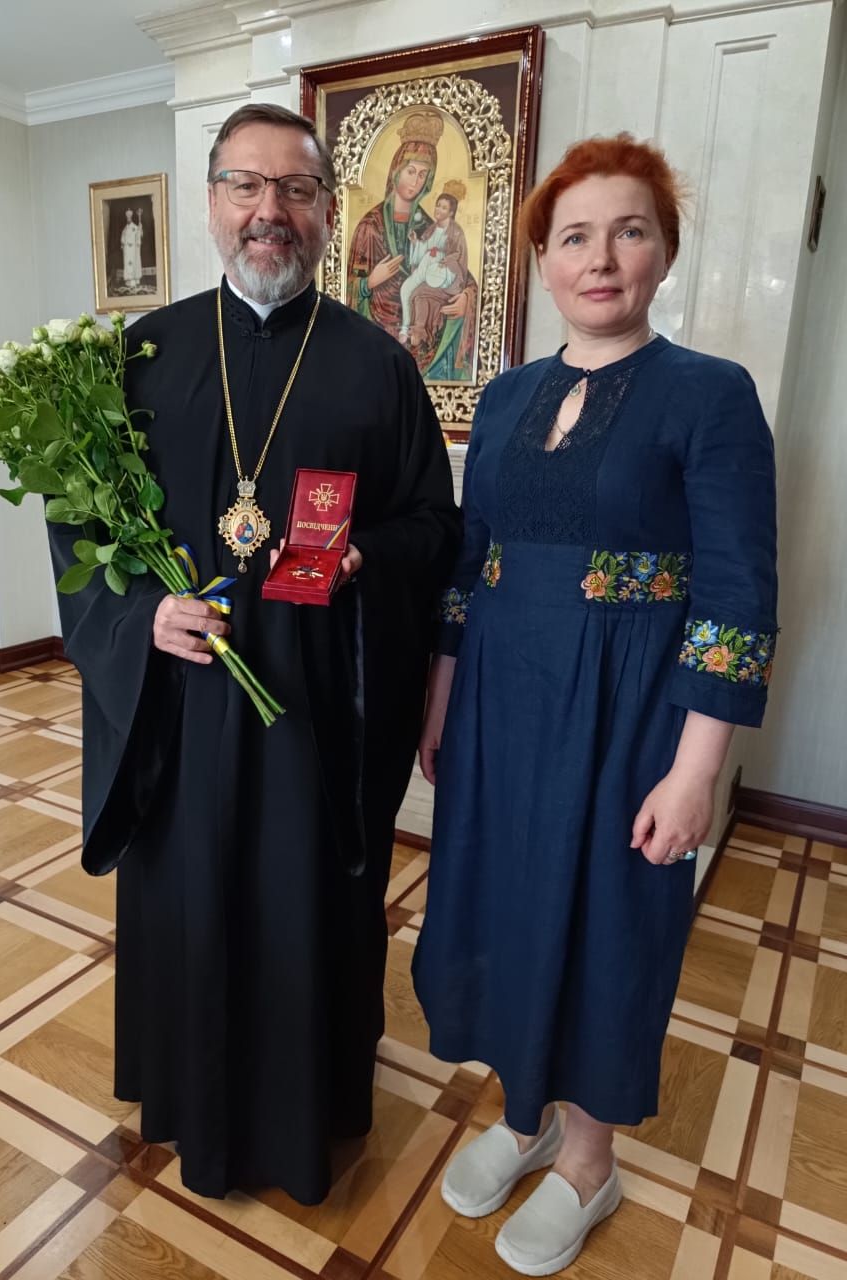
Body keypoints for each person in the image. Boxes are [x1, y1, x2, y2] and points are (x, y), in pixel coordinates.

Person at [48, 103, 460, 1206]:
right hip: (180, 708)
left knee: (302, 904)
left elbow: (435, 527)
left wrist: (364, 556)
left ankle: (304, 1112)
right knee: (187, 897)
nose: (269, 212)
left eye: (295, 190)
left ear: (329, 213)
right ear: (212, 200)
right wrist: (142, 618)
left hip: (316, 709)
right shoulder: (138, 356)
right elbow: (77, 530)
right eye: (246, 187)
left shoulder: (380, 367)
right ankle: (191, 1102)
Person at [414, 133, 778, 1275]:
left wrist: (696, 765)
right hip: (500, 704)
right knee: (506, 905)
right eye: (575, 235)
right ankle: (522, 1116)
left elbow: (736, 591)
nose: (602, 256)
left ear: (664, 251)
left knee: (612, 925)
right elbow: (472, 562)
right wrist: (441, 694)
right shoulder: (510, 393)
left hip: (633, 716)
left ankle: (587, 1156)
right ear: (543, 260)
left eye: (630, 229)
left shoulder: (711, 396)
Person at [347, 111, 477, 380]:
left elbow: (462, 272)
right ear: (396, 170)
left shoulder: (432, 226)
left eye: (423, 175)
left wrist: (467, 297)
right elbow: (342, 295)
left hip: (424, 323)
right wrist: (369, 283)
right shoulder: (370, 226)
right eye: (410, 171)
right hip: (376, 340)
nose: (416, 181)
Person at [399, 182, 470, 354]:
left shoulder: (456, 233)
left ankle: (419, 333)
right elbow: (422, 252)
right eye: (438, 205)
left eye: (443, 208)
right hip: (425, 270)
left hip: (441, 277)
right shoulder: (431, 229)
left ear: (451, 212)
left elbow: (459, 257)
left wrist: (443, 259)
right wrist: (416, 242)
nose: (438, 210)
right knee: (405, 288)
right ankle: (405, 327)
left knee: (420, 294)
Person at [120, 207, 142, 290]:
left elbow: (138, 236)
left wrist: (139, 231)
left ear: (131, 218)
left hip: (133, 249)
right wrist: (123, 244)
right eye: (127, 217)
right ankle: (128, 281)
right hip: (126, 250)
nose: (128, 219)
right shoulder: (125, 229)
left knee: (133, 263)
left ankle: (134, 281)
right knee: (127, 264)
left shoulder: (135, 227)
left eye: (129, 217)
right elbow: (122, 237)